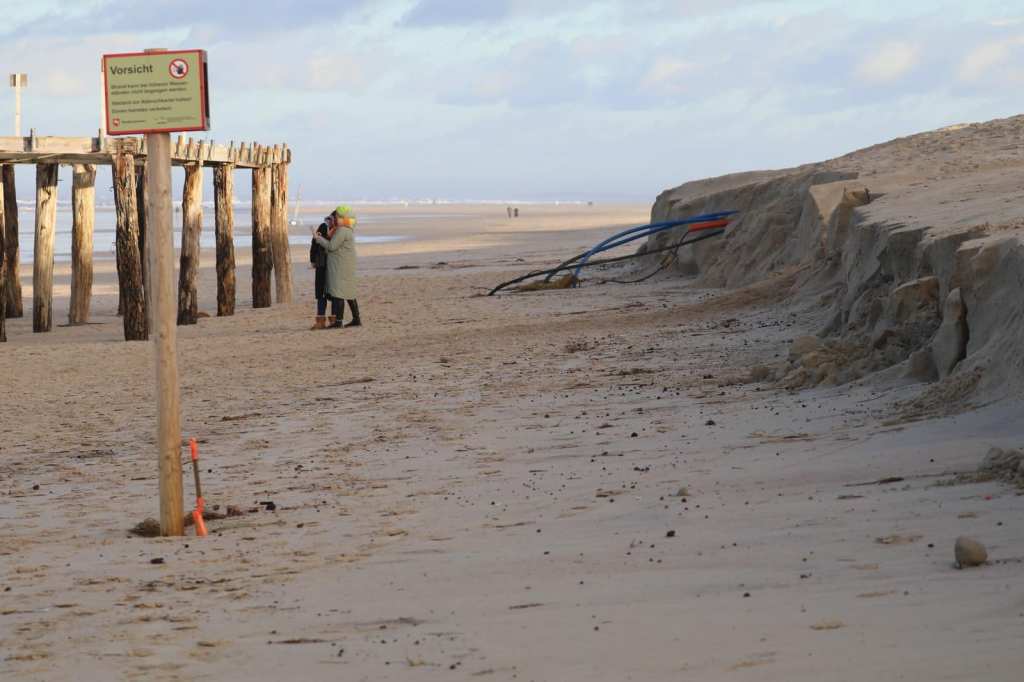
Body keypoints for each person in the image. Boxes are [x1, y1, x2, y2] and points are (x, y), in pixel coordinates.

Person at [312, 205, 361, 329]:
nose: (335, 219)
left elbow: (332, 246)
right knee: (349, 293)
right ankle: (356, 319)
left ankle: (338, 322)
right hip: (345, 265)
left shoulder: (342, 230)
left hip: (340, 266)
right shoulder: (347, 229)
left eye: (337, 217)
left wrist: (318, 238)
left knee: (339, 293)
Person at [308, 214, 333, 330]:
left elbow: (314, 244)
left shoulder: (336, 229)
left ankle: (329, 320)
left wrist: (313, 259)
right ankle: (325, 320)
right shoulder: (325, 227)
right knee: (324, 293)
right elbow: (314, 243)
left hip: (329, 264)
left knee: (328, 293)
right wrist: (313, 259)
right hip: (324, 264)